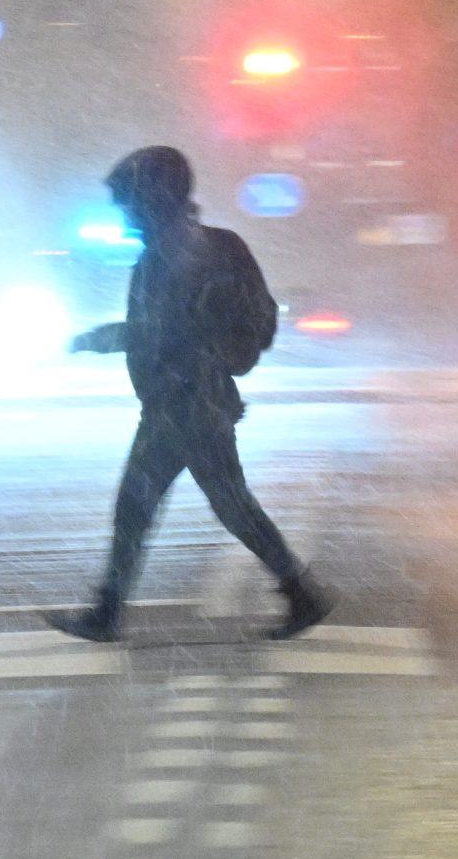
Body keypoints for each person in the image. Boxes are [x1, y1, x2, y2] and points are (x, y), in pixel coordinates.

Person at [46, 146, 332, 643]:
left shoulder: (178, 253)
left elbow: (160, 332)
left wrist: (100, 338)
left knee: (148, 507)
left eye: (128, 203)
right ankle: (299, 594)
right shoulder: (198, 248)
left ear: (154, 198)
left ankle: (107, 613)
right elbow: (249, 317)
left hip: (185, 404)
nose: (125, 215)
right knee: (220, 505)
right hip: (187, 401)